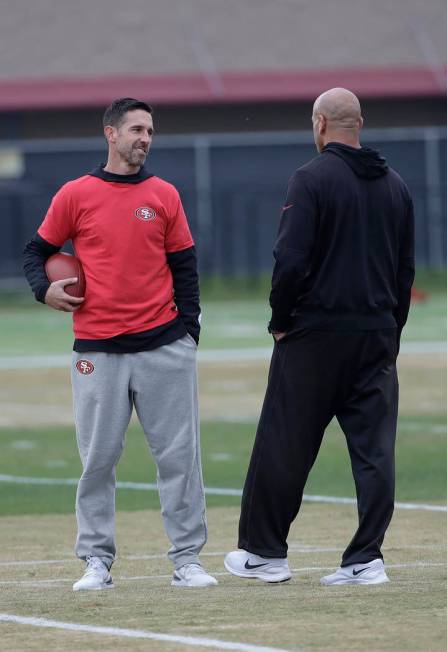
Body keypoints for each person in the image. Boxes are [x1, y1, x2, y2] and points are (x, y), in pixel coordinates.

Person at [23, 97, 217, 590]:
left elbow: (185, 266)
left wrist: (189, 332)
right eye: (135, 129)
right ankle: (96, 561)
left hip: (164, 347)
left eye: (149, 130)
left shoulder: (165, 194)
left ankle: (188, 560)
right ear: (110, 133)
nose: (144, 139)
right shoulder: (76, 194)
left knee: (179, 458)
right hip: (97, 350)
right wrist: (42, 289)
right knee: (98, 460)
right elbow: (37, 252)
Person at [225, 88, 415, 586]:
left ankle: (265, 553)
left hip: (314, 336)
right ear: (361, 123)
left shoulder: (310, 179)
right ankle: (366, 559)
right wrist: (391, 331)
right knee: (375, 451)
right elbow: (404, 271)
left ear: (320, 123)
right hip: (375, 335)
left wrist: (279, 319)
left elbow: (290, 259)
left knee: (284, 443)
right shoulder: (395, 184)